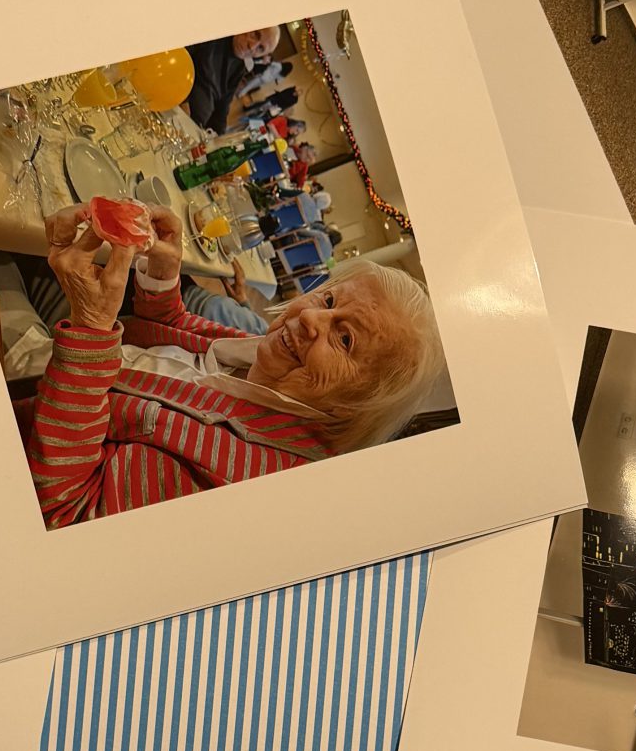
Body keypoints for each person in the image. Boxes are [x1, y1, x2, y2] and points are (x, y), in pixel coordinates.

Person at [23, 204, 443, 525]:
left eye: (345, 339)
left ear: (358, 404)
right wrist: (162, 273)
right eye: (329, 299)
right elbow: (173, 328)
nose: (312, 317)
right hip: (74, 348)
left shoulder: (242, 476)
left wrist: (91, 329)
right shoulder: (270, 357)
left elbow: (65, 509)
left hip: (24, 405)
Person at [184, 26, 282, 132]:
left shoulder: (239, 68)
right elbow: (180, 56)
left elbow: (223, 107)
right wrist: (183, 103)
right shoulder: (214, 33)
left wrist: (219, 136)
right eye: (255, 34)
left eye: (260, 48)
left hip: (194, 126)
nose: (252, 46)